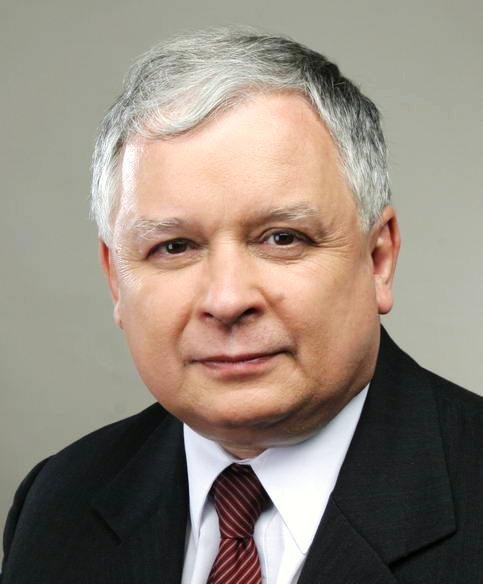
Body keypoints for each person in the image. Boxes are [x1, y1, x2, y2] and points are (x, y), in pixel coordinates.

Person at [2, 26, 482, 584]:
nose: (227, 300)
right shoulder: (57, 502)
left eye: (282, 238)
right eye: (174, 247)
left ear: (378, 260)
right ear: (116, 279)